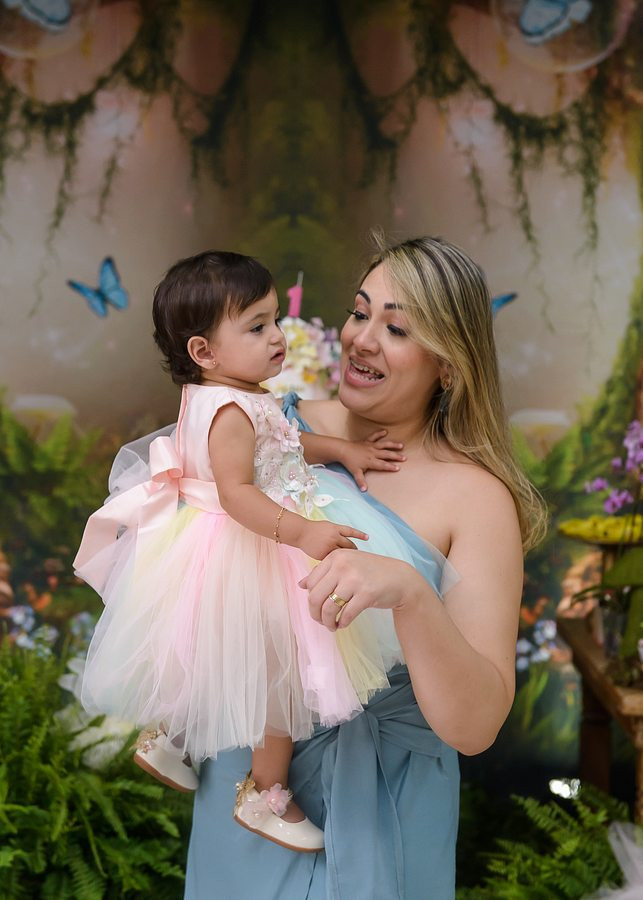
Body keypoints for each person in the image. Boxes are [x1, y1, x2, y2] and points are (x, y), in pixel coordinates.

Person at [184, 235, 547, 899]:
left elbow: (474, 728)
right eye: (359, 312)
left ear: (449, 365)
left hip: (389, 802)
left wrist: (410, 593)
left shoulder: (476, 499)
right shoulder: (272, 429)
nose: (361, 339)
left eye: (396, 328)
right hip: (250, 787)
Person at [73, 250, 428, 854]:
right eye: (257, 327)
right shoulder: (232, 410)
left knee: (208, 652)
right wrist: (302, 532)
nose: (277, 338)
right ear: (203, 351)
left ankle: (170, 739)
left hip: (211, 548)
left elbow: (282, 444)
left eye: (275, 320)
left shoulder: (222, 396)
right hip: (254, 545)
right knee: (278, 671)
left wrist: (343, 450)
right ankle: (265, 793)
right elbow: (238, 493)